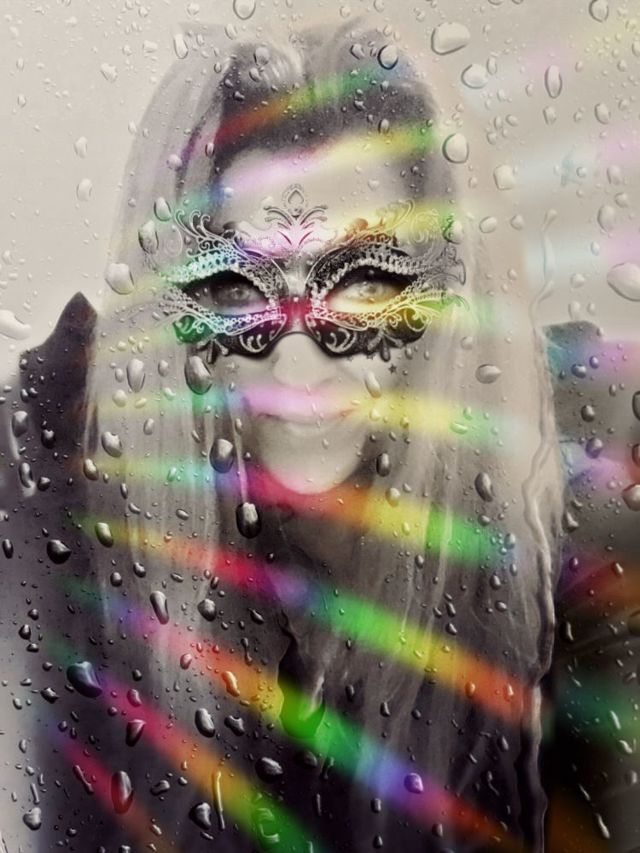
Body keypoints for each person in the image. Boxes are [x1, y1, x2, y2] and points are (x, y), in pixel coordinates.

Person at [2, 19, 639, 853]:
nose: (297, 366)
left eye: (365, 280)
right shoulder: (63, 486)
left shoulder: (569, 498)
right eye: (236, 288)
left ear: (447, 289)